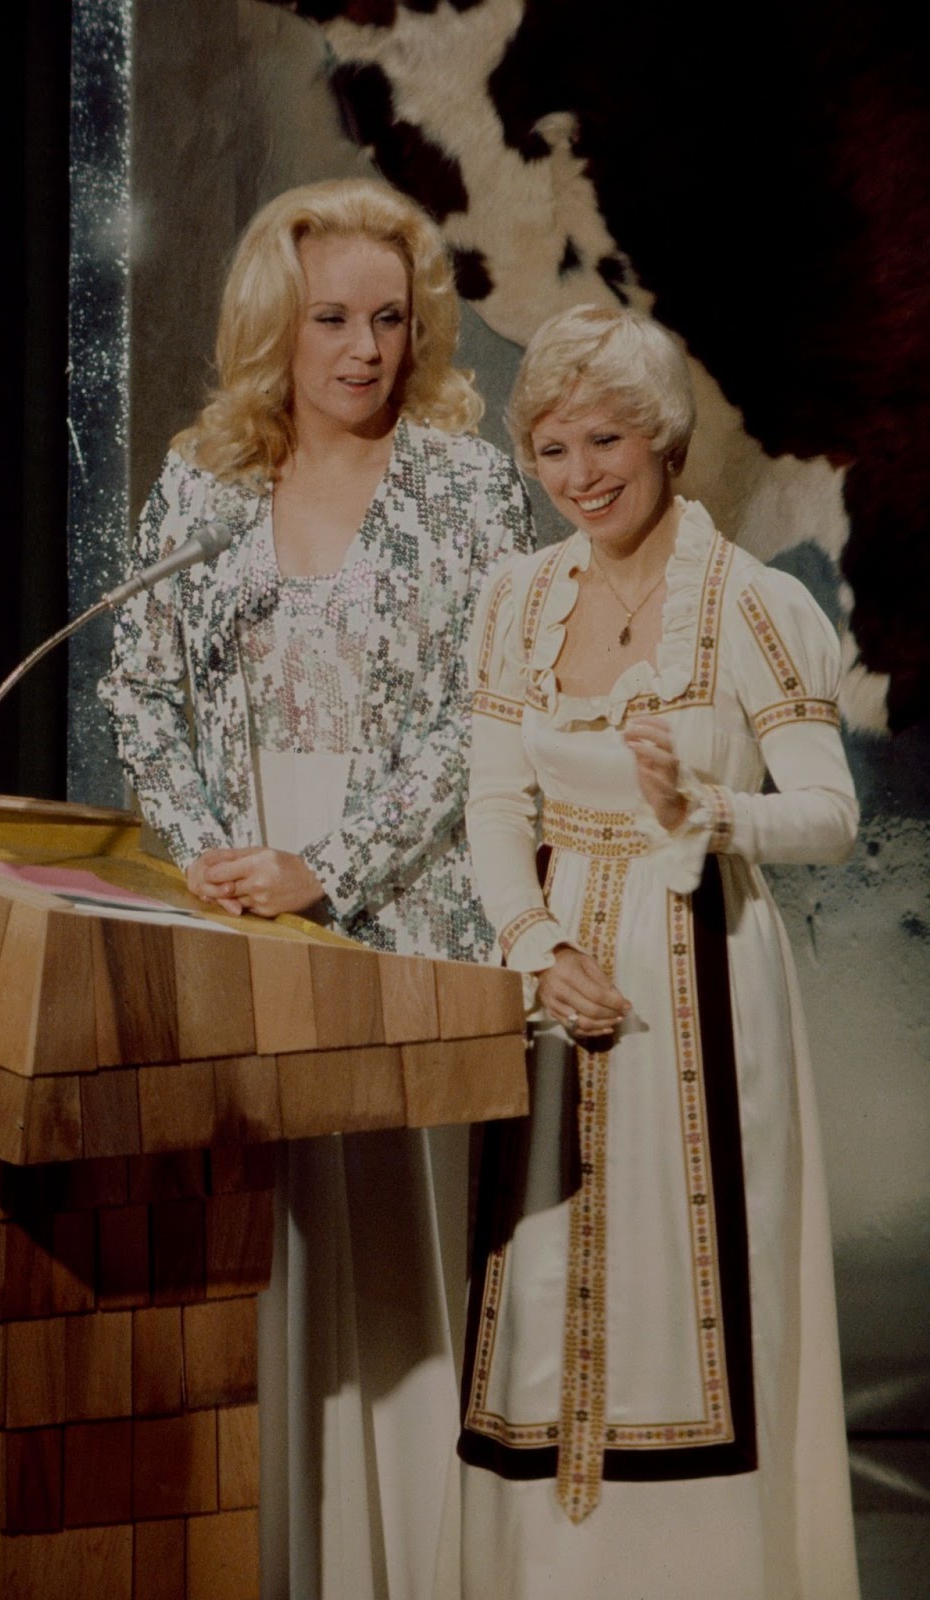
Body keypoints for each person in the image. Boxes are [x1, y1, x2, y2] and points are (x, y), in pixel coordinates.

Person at [98, 176, 533, 1599]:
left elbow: (488, 711)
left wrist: (324, 868)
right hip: (233, 879)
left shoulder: (467, 482)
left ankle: (406, 1566)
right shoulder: (202, 479)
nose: (363, 350)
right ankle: (263, 1553)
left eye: (390, 320)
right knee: (257, 1227)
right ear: (274, 326)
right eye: (334, 318)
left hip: (397, 893)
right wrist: (220, 855)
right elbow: (141, 687)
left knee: (390, 1228)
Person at [456, 303, 860, 1599]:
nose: (582, 474)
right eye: (555, 448)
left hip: (703, 983)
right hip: (555, 976)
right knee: (532, 1301)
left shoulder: (753, 606)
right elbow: (491, 809)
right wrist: (532, 943)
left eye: (607, 438)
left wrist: (711, 808)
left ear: (666, 439)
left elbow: (834, 817)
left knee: (696, 1307)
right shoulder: (517, 601)